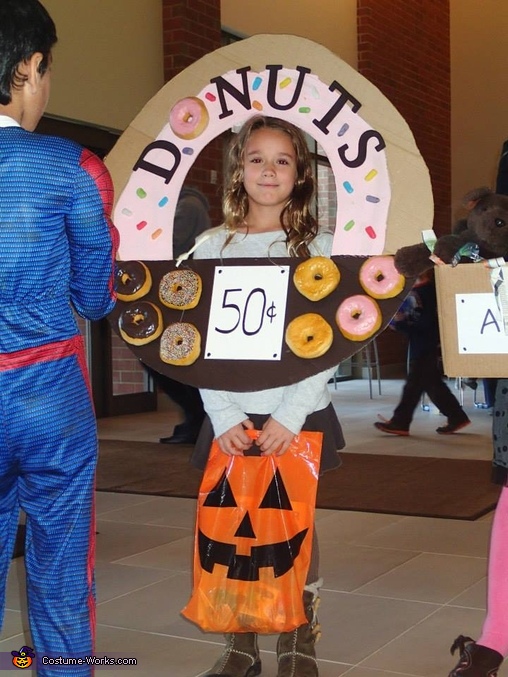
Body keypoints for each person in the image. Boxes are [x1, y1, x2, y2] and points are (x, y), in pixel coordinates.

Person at [191, 115, 345, 677]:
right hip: (230, 412)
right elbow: (196, 341)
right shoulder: (210, 247)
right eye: (257, 158)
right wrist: (224, 411)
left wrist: (290, 412)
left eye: (283, 160)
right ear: (238, 169)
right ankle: (240, 642)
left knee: (294, 522)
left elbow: (329, 345)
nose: (269, 170)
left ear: (300, 175)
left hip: (296, 412)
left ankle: (298, 638)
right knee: (229, 523)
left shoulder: (320, 249)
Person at [0, 1, 118, 673]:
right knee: (63, 573)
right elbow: (95, 296)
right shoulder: (73, 166)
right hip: (49, 396)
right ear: (29, 66)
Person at [374, 269, 470, 436]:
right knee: (431, 385)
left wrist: (400, 324)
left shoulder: (423, 291)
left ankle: (401, 422)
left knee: (414, 385)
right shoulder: (429, 289)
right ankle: (456, 417)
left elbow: (424, 322)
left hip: (424, 344)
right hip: (426, 343)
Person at [153, 186, 210, 444]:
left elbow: (168, 247)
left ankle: (197, 419)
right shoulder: (183, 206)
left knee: (168, 361)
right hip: (176, 293)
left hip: (180, 294)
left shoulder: (187, 207)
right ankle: (195, 419)